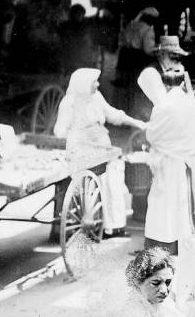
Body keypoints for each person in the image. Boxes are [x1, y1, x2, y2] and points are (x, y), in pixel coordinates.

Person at [132, 68, 195, 250]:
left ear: (166, 85)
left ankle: (166, 243)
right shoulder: (194, 104)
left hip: (169, 163)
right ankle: (190, 241)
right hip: (191, 161)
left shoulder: (162, 107)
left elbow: (153, 136)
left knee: (166, 204)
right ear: (183, 83)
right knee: (189, 202)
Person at [53, 68, 143, 237]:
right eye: (94, 81)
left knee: (113, 179)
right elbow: (60, 130)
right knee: (88, 185)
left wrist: (137, 123)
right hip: (82, 149)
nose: (98, 84)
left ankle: (114, 226)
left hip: (102, 147)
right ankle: (90, 224)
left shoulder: (96, 97)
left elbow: (113, 115)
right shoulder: (69, 102)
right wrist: (71, 137)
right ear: (83, 85)